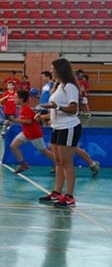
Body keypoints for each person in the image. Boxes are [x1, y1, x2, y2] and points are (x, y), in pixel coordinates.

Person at [37, 58, 82, 207]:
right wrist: (44, 116)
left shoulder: (70, 87)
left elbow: (73, 109)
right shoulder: (59, 86)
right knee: (58, 162)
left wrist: (56, 108)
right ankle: (57, 192)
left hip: (68, 127)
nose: (51, 71)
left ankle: (69, 196)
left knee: (67, 162)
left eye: (52, 68)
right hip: (57, 127)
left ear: (60, 69)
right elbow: (56, 107)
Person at [9, 89, 53, 173]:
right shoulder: (22, 108)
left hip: (34, 134)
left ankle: (59, 164)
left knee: (44, 151)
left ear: (21, 99)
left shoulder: (26, 109)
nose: (14, 99)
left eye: (16, 97)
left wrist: (15, 120)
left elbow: (28, 121)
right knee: (13, 146)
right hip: (26, 133)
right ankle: (23, 165)